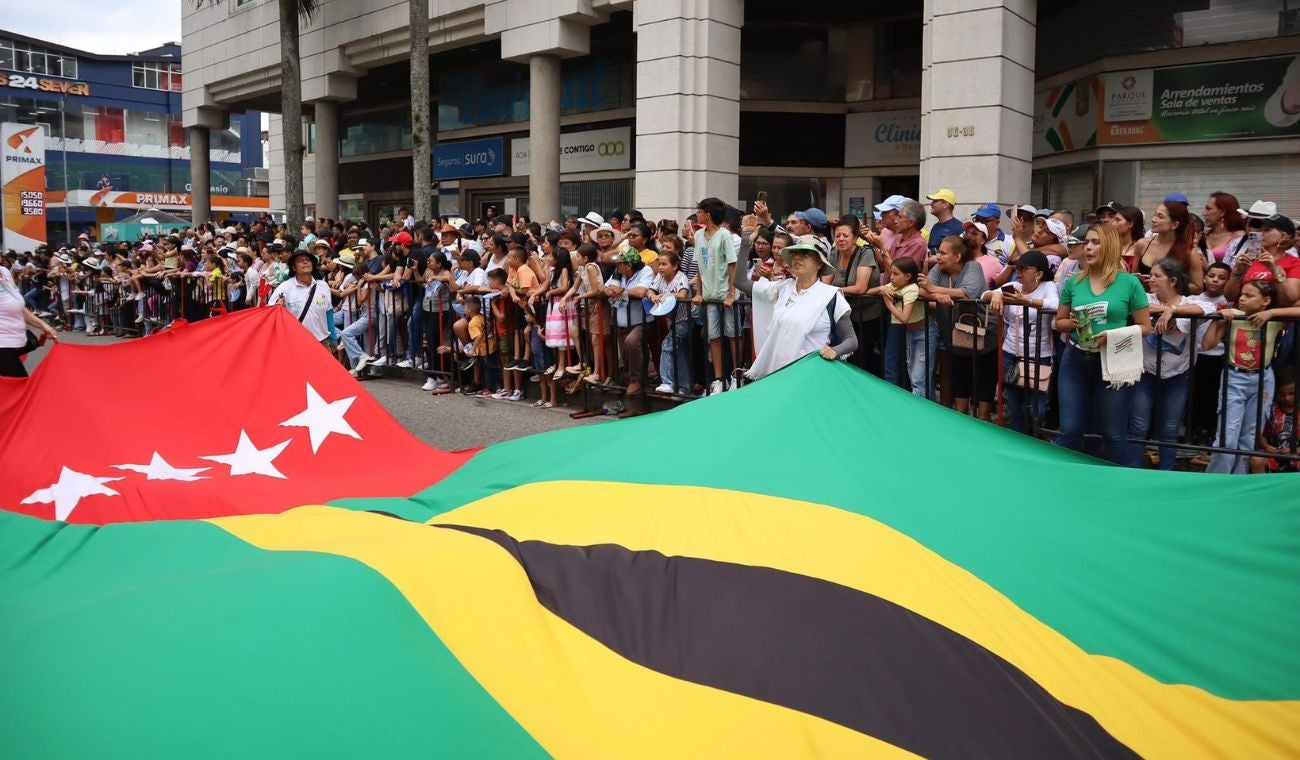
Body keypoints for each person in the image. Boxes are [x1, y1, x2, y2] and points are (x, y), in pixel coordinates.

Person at [1052, 223, 1152, 464]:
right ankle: (1061, 479)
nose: (1088, 247)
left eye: (1095, 242)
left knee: (1112, 432)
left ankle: (1117, 485)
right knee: (1070, 428)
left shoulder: (1129, 283)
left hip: (1113, 361)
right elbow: (1059, 322)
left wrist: (1113, 335)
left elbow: (1146, 327)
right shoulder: (1074, 282)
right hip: (1075, 358)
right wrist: (1072, 324)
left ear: (1110, 246)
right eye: (1087, 242)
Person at [1202, 279, 1300, 473]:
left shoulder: (1273, 320)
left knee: (1250, 435)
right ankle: (1217, 480)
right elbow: (1207, 345)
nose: (1242, 298)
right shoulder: (1234, 316)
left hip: (1262, 379)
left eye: (1249, 295)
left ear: (1265, 301)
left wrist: (1272, 312)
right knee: (1227, 437)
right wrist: (1218, 320)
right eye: (1242, 294)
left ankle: (1239, 480)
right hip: (1235, 377)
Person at [1127, 258, 1213, 470]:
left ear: (1173, 280)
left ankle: (1167, 471)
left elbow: (1208, 307)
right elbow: (1136, 304)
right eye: (1151, 275)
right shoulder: (1144, 298)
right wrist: (1163, 310)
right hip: (1145, 371)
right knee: (1138, 425)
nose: (1151, 279)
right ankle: (1132, 469)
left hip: (1177, 374)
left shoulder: (1189, 302)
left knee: (1170, 427)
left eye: (1157, 275)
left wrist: (1173, 311)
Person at [734, 235, 856, 381]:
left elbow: (851, 340)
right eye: (795, 254)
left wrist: (835, 351)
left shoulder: (831, 295)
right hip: (779, 375)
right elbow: (740, 282)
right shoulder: (782, 288)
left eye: (805, 254)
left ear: (819, 263)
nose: (797, 258)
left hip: (812, 377)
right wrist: (746, 241)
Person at [983, 251, 1057, 433]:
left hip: (1038, 355)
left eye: (1025, 268)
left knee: (1037, 407)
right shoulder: (1013, 285)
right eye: (1018, 268)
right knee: (1014, 405)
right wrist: (997, 295)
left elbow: (1055, 304)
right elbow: (985, 294)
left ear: (1039, 273)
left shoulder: (1048, 286)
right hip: (1011, 353)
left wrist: (1027, 301)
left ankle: (1035, 438)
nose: (1019, 272)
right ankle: (1018, 441)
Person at [924, 235, 996, 416]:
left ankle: (983, 420)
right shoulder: (939, 270)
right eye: (937, 252)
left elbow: (967, 292)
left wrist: (934, 290)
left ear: (957, 257)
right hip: (954, 333)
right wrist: (937, 296)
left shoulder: (973, 266)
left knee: (984, 376)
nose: (937, 256)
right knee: (960, 374)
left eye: (942, 253)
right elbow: (922, 289)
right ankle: (962, 418)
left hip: (983, 333)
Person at [692, 197, 739, 395]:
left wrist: (730, 294)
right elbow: (699, 267)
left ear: (707, 214)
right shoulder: (698, 235)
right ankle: (719, 379)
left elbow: (732, 265)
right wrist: (699, 293)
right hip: (710, 296)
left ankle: (736, 376)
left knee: (732, 335)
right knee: (714, 337)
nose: (697, 214)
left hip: (725, 295)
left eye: (700, 211)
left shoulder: (724, 235)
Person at [603, 249, 656, 415]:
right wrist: (609, 291)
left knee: (632, 343)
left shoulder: (645, 271)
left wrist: (622, 292)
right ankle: (637, 406)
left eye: (620, 263)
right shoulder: (618, 274)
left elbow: (641, 291)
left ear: (629, 265)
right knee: (627, 358)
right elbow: (605, 288)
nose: (617, 265)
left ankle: (636, 382)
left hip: (641, 321)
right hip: (622, 323)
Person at [866, 257, 927, 395]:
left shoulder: (912, 288)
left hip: (920, 331)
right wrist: (881, 288)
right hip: (907, 331)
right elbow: (868, 292)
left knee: (918, 376)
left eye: (895, 274)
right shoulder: (894, 286)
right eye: (891, 273)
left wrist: (888, 303)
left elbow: (904, 318)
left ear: (908, 276)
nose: (891, 277)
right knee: (906, 369)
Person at [828, 217, 881, 375]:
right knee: (842, 359)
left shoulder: (865, 252)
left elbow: (860, 287)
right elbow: (825, 283)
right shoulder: (834, 252)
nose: (841, 239)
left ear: (855, 238)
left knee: (862, 360)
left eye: (845, 236)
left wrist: (833, 290)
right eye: (838, 236)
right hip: (843, 315)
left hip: (866, 315)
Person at [1225, 211, 1300, 306]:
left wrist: (1275, 271)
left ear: (1284, 236)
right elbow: (1229, 297)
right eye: (1258, 229)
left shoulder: (1295, 262)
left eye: (1267, 230)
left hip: (1274, 317)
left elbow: (1290, 299)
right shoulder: (1249, 259)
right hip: (1242, 316)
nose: (1260, 233)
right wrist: (1236, 274)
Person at [0, 262, 57, 378]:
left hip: (14, 343)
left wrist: (43, 325)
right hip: (2, 346)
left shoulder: (4, 272)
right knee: (18, 387)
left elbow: (19, 308)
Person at [1134, 201, 1203, 294]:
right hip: (1144, 300)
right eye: (1155, 215)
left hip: (1172, 305)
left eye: (1160, 216)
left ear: (1174, 225)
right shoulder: (1142, 244)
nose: (1153, 219)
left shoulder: (1189, 253)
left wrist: (1166, 284)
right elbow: (1134, 275)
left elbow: (1198, 287)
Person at [268, 249, 333, 346]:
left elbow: (329, 312)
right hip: (296, 344)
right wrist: (278, 307)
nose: (305, 262)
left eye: (308, 259)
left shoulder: (323, 286)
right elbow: (271, 313)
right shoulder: (284, 287)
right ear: (294, 267)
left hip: (322, 343)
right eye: (300, 260)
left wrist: (334, 338)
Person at [650, 249, 693, 395]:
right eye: (659, 264)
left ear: (674, 266)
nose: (660, 267)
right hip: (671, 321)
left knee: (667, 345)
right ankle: (684, 387)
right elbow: (650, 290)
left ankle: (667, 382)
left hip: (685, 320)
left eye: (664, 264)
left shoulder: (681, 277)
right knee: (679, 353)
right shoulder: (659, 277)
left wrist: (666, 295)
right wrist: (652, 297)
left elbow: (682, 294)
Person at [1250, 371, 1297, 473]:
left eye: (1292, 394)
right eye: (1282, 394)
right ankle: (1263, 488)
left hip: (1297, 455)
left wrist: (1295, 450)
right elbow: (1261, 434)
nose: (1287, 398)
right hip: (1274, 454)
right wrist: (1266, 446)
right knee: (1256, 460)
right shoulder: (1271, 409)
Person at [1204, 192, 1247, 263]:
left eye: (1208, 209)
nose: (1204, 213)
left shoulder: (1239, 237)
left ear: (1223, 212)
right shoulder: (1204, 235)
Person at [1110, 206, 1144, 273]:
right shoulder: (1109, 245)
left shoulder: (1142, 247)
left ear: (1130, 224)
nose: (1112, 224)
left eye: (1117, 220)